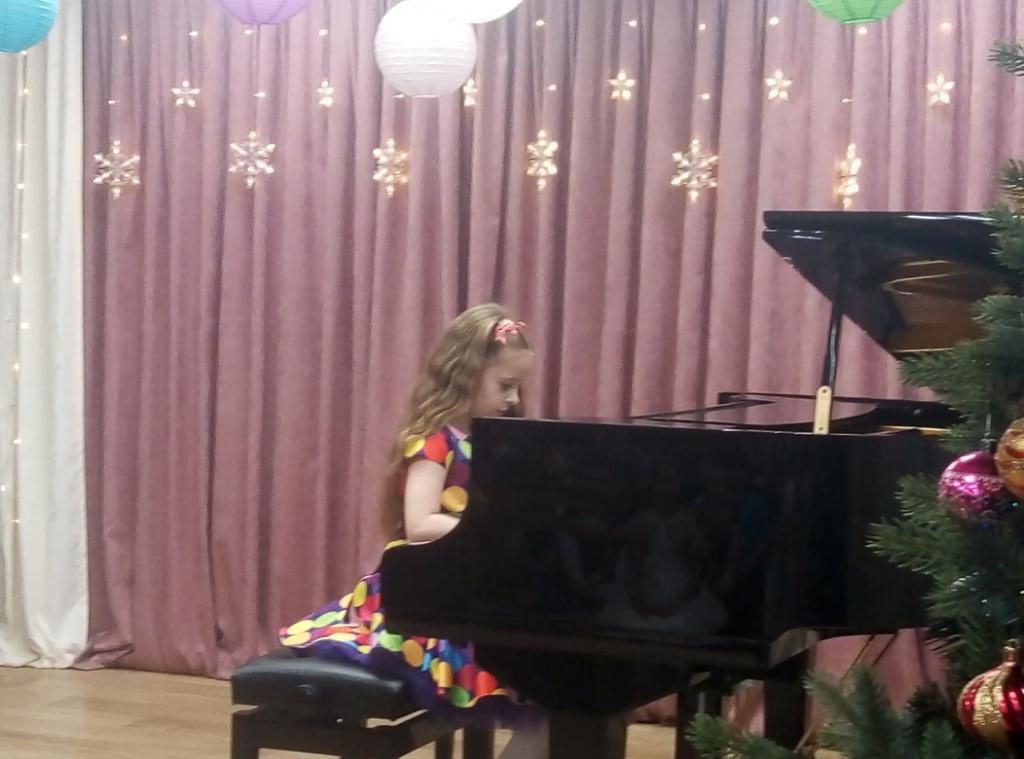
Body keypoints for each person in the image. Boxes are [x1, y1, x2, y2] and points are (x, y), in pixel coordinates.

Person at [279, 302, 547, 758]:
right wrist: (487, 531)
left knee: (556, 693)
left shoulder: (488, 439)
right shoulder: (433, 441)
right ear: (464, 375)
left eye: (518, 387)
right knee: (539, 685)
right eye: (505, 386)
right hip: (421, 600)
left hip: (464, 593)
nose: (514, 399)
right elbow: (421, 523)